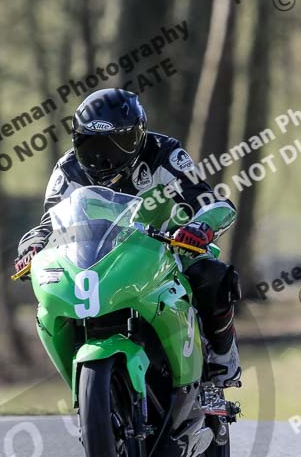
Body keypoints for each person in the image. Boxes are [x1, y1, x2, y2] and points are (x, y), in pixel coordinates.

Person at [15, 88, 241, 387]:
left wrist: (200, 227)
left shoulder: (165, 153)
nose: (103, 157)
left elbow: (211, 201)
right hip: (99, 259)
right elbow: (49, 223)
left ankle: (222, 362)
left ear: (139, 135)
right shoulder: (67, 169)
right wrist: (31, 247)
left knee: (212, 275)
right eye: (90, 145)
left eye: (117, 144)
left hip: (169, 246)